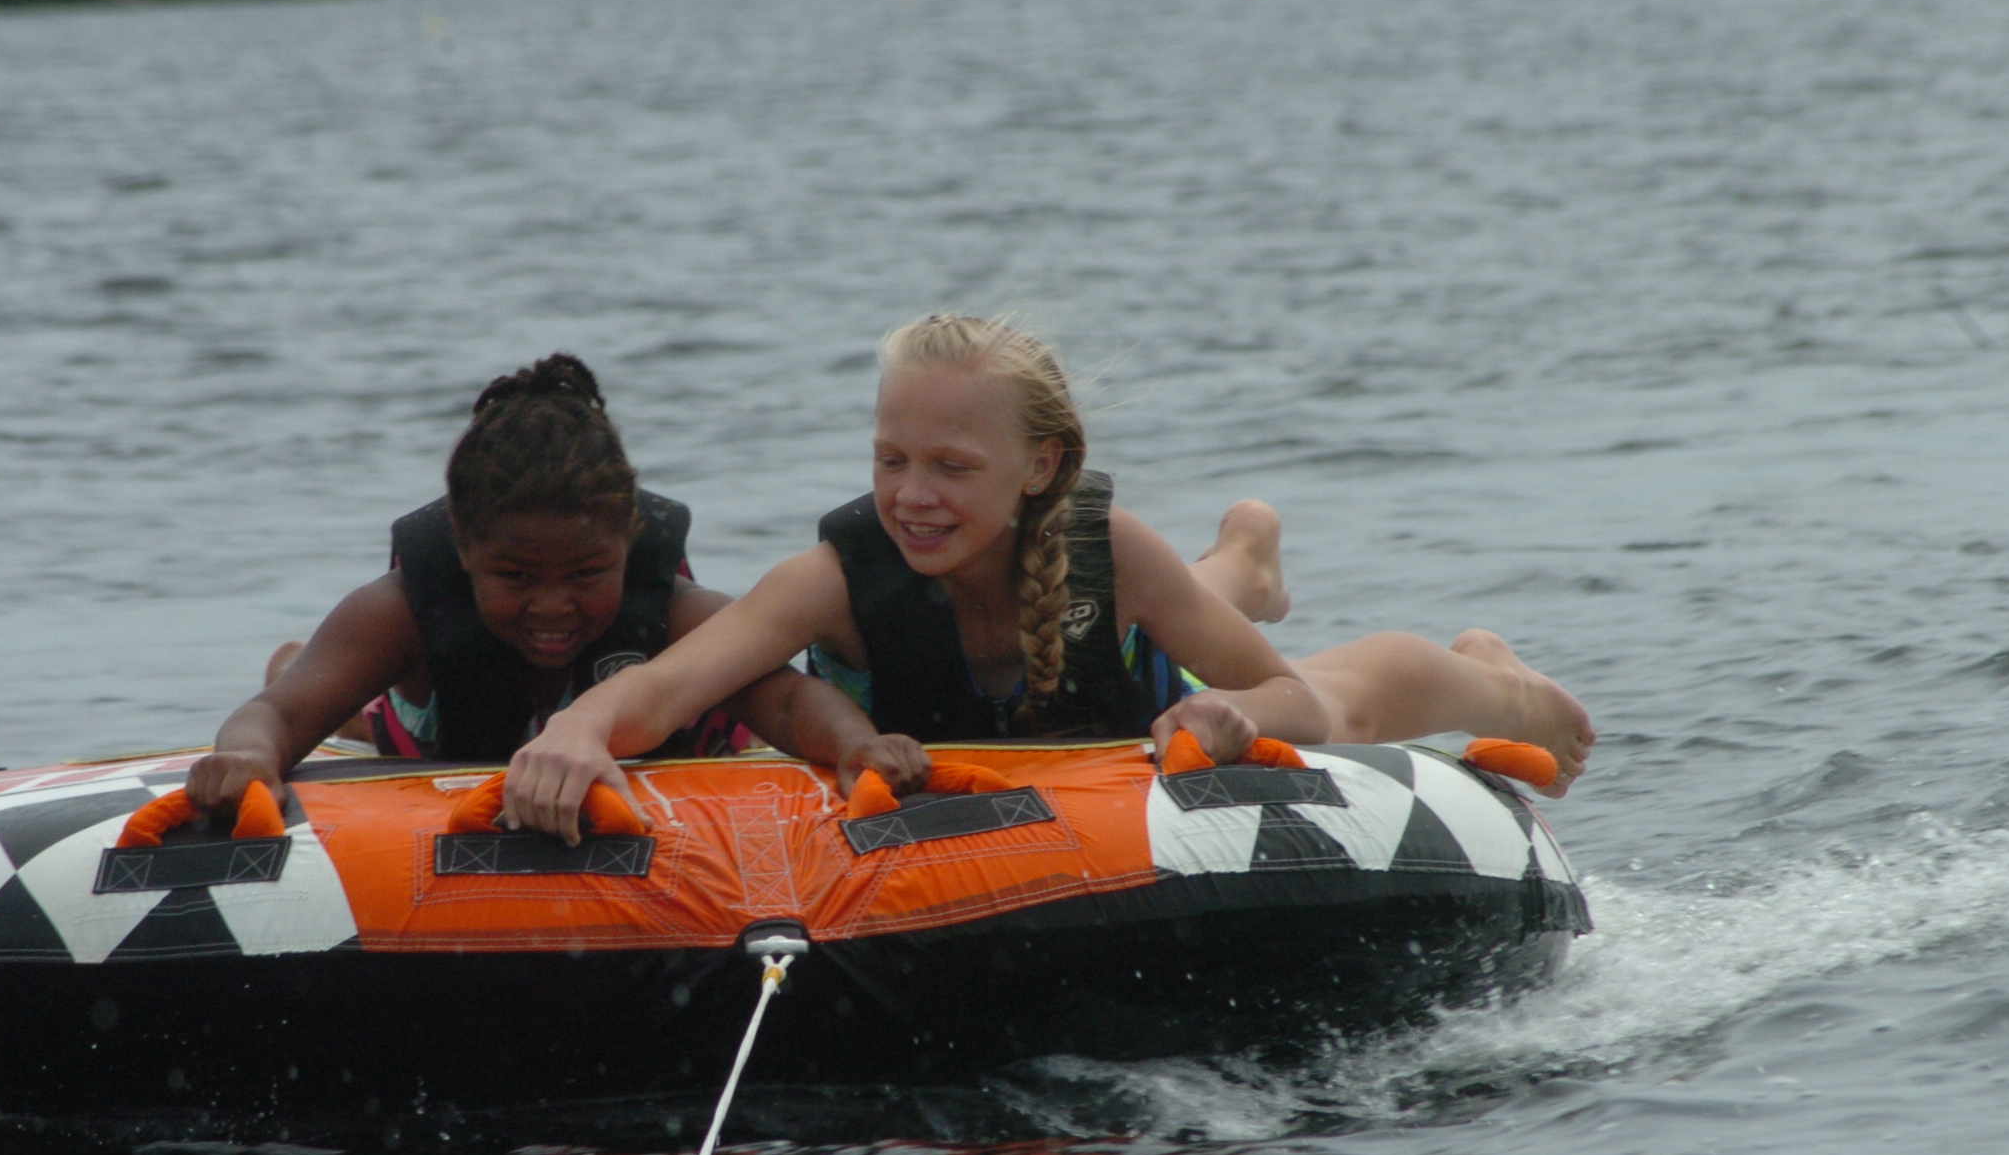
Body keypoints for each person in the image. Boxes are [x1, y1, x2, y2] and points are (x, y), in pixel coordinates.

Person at [498, 313, 1595, 841]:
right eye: (890, 461)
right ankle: (1241, 565)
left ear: (1040, 467)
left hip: (1143, 690)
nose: (911, 496)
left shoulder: (1108, 550)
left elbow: (1293, 700)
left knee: (1342, 700)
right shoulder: (835, 578)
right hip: (1100, 651)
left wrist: (1232, 718)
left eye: (951, 468)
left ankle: (1499, 679)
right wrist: (579, 732)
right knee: (1193, 603)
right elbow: (670, 686)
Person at [184, 354, 914, 816]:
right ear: (464, 550)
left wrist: (855, 744)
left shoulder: (676, 613)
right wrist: (249, 756)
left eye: (587, 574)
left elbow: (786, 698)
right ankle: (314, 672)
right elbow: (276, 714)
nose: (553, 605)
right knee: (351, 710)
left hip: (677, 738)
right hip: (430, 732)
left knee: (734, 713)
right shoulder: (396, 613)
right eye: (515, 576)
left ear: (627, 543)